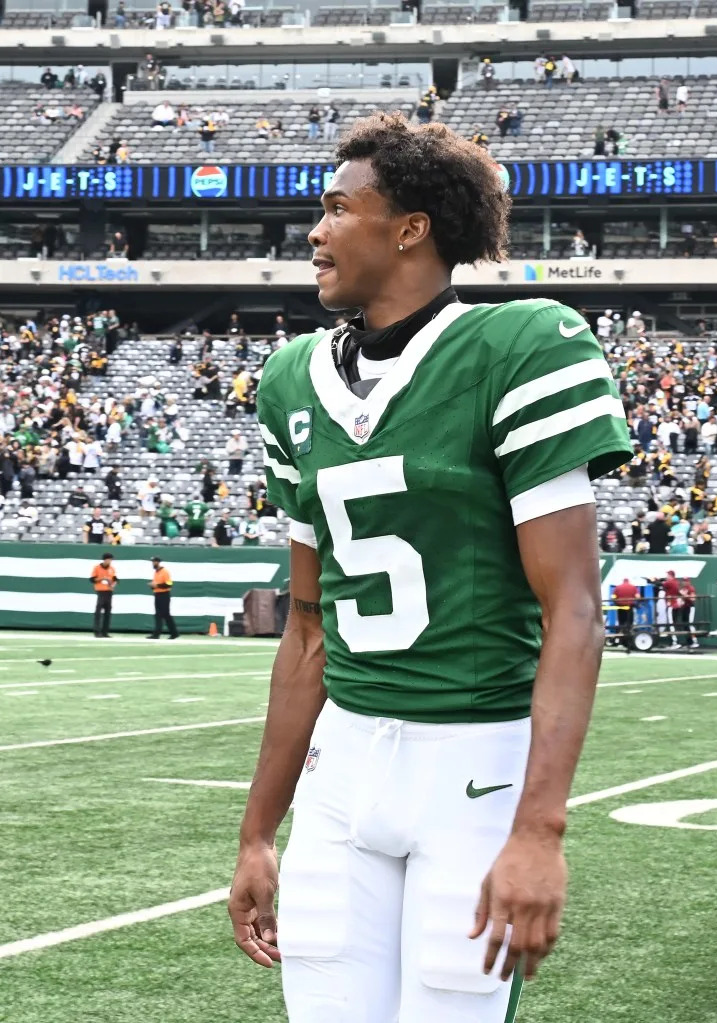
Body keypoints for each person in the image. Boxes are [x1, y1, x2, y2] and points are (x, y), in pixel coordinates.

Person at [229, 112, 632, 1021]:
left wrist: (540, 827)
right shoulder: (292, 377)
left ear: (410, 227)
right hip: (344, 769)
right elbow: (305, 629)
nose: (317, 231)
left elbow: (573, 607)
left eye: (338, 208)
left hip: (475, 764)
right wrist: (258, 830)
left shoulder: (522, 345)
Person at [147, 556, 178, 639]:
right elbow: (156, 585)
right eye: (152, 562)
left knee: (166, 614)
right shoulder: (156, 573)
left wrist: (157, 585)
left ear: (158, 562)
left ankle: (174, 633)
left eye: (154, 562)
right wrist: (152, 586)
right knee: (158, 615)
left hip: (164, 595)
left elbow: (169, 584)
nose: (153, 563)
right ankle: (156, 634)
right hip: (157, 595)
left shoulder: (165, 572)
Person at [90, 551, 117, 638]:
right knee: (98, 611)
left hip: (109, 591)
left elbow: (115, 579)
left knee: (108, 612)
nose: (110, 561)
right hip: (101, 591)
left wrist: (113, 585)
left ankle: (105, 632)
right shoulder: (97, 568)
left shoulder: (112, 568)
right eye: (109, 560)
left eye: (111, 560)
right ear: (105, 560)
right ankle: (97, 631)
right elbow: (92, 579)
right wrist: (102, 578)